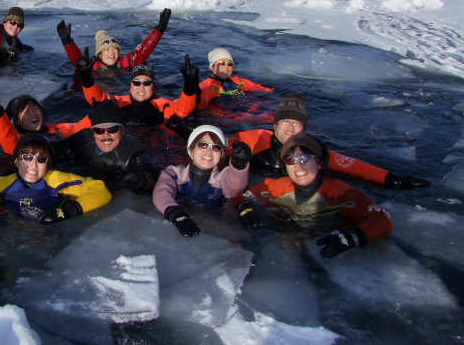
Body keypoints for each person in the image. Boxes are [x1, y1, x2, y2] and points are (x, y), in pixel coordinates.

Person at [234, 134, 394, 259]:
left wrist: (350, 238)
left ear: (319, 163)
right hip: (289, 237)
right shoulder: (277, 187)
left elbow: (382, 219)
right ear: (285, 167)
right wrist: (245, 207)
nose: (298, 165)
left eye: (305, 158)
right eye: (291, 160)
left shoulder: (339, 193)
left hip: (327, 240)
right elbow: (243, 196)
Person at [227, 93, 431, 189]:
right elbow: (212, 149)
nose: (290, 128)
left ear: (304, 129)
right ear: (275, 125)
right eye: (285, 122)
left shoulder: (311, 152)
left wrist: (395, 179)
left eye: (296, 123)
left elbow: (354, 167)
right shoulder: (252, 141)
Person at [0, 133, 111, 224]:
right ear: (16, 161)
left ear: (48, 165)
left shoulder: (58, 181)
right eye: (27, 158)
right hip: (13, 237)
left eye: (41, 160)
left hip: (50, 236)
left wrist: (66, 212)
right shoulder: (2, 185)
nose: (33, 166)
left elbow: (100, 189)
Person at [153, 126, 253, 238]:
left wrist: (239, 165)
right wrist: (176, 214)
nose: (209, 151)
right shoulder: (174, 173)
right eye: (203, 145)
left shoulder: (222, 179)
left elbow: (235, 186)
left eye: (216, 148)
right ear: (191, 151)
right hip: (177, 221)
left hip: (214, 227)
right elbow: (162, 191)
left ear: (221, 155)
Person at [51, 99, 158, 189]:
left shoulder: (135, 152)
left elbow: (152, 180)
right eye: (99, 131)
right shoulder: (82, 139)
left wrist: (139, 181)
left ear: (122, 131)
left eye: (113, 129)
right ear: (93, 132)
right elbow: (52, 150)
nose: (106, 135)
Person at [77, 54, 198, 126]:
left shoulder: (162, 106)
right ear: (130, 86)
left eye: (147, 83)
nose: (141, 87)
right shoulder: (119, 103)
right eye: (136, 83)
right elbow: (99, 101)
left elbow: (182, 110)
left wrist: (189, 85)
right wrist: (86, 78)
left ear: (153, 86)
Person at [0, 84, 92, 154]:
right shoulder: (20, 142)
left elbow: (75, 129)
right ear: (18, 121)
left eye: (35, 108)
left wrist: (95, 115)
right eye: (27, 111)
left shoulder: (51, 129)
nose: (33, 113)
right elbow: (10, 144)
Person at [56, 8, 171, 71]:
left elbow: (144, 52)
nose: (111, 52)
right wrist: (67, 41)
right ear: (99, 55)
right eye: (106, 49)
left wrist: (159, 29)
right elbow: (78, 63)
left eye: (114, 48)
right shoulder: (92, 66)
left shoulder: (126, 63)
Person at [197, 48, 272, 109]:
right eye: (222, 63)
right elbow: (199, 104)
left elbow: (264, 90)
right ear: (212, 67)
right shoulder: (207, 86)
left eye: (230, 63)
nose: (226, 67)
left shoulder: (239, 81)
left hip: (245, 113)